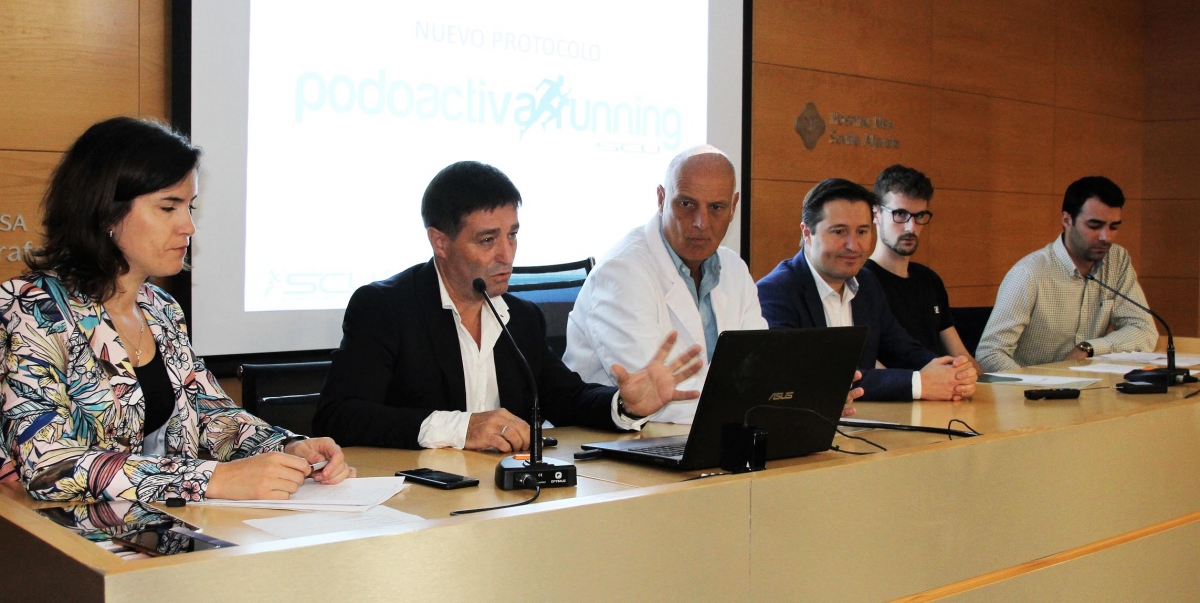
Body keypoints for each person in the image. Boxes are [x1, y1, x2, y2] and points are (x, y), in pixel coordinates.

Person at [0, 117, 353, 503]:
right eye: (168, 207)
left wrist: (289, 448)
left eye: (190, 207)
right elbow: (48, 465)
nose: (188, 227)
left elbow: (208, 414)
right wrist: (210, 479)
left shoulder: (160, 308)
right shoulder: (30, 307)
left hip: (161, 524)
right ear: (106, 213)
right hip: (58, 532)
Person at [313, 161, 703, 451]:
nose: (506, 254)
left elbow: (565, 398)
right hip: (415, 503)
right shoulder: (386, 308)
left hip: (504, 496)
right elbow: (338, 415)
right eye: (487, 240)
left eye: (512, 235)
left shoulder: (522, 318)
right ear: (440, 242)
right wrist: (461, 428)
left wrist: (624, 406)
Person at [562, 146, 770, 425]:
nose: (701, 222)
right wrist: (758, 407)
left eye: (716, 208)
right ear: (661, 199)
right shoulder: (622, 271)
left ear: (733, 206)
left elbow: (757, 370)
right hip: (620, 439)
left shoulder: (734, 269)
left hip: (701, 432)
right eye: (686, 204)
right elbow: (655, 395)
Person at [756, 178, 977, 402]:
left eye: (862, 231)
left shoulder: (867, 283)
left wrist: (952, 372)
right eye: (839, 232)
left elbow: (902, 350)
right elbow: (809, 376)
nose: (853, 246)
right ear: (807, 232)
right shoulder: (775, 292)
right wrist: (919, 384)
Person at [976, 176, 1157, 372]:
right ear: (1067, 220)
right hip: (1036, 387)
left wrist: (1088, 348)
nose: (1106, 237)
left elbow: (1143, 330)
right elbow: (990, 353)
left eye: (1113, 227)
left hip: (1093, 385)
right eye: (1094, 226)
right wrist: (1033, 385)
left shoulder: (1117, 261)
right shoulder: (1029, 273)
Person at [864, 165, 982, 376]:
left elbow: (961, 355)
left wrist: (972, 377)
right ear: (876, 214)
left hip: (945, 387)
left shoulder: (929, 280)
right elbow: (870, 368)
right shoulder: (861, 281)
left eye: (919, 216)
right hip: (900, 392)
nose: (911, 227)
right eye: (900, 214)